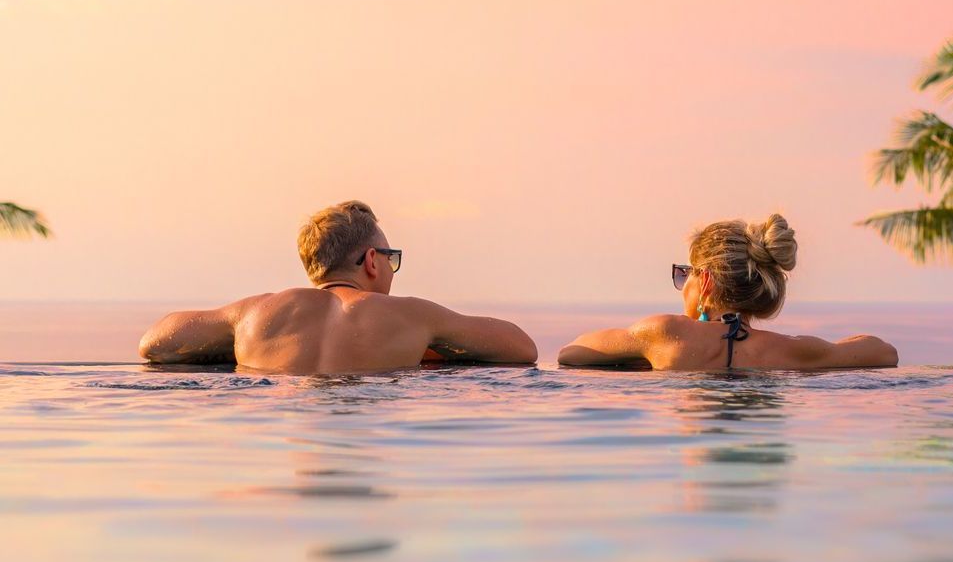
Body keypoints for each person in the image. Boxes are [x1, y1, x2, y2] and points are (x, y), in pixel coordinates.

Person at [138, 201, 537, 373]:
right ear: (369, 260)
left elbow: (155, 343)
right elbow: (522, 349)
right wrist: (431, 345)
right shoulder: (411, 316)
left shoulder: (253, 314)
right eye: (390, 258)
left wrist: (237, 343)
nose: (392, 270)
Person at [558, 213, 897, 372]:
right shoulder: (793, 351)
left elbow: (572, 353)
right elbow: (884, 352)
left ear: (704, 280)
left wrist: (640, 356)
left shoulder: (664, 335)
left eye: (685, 275)